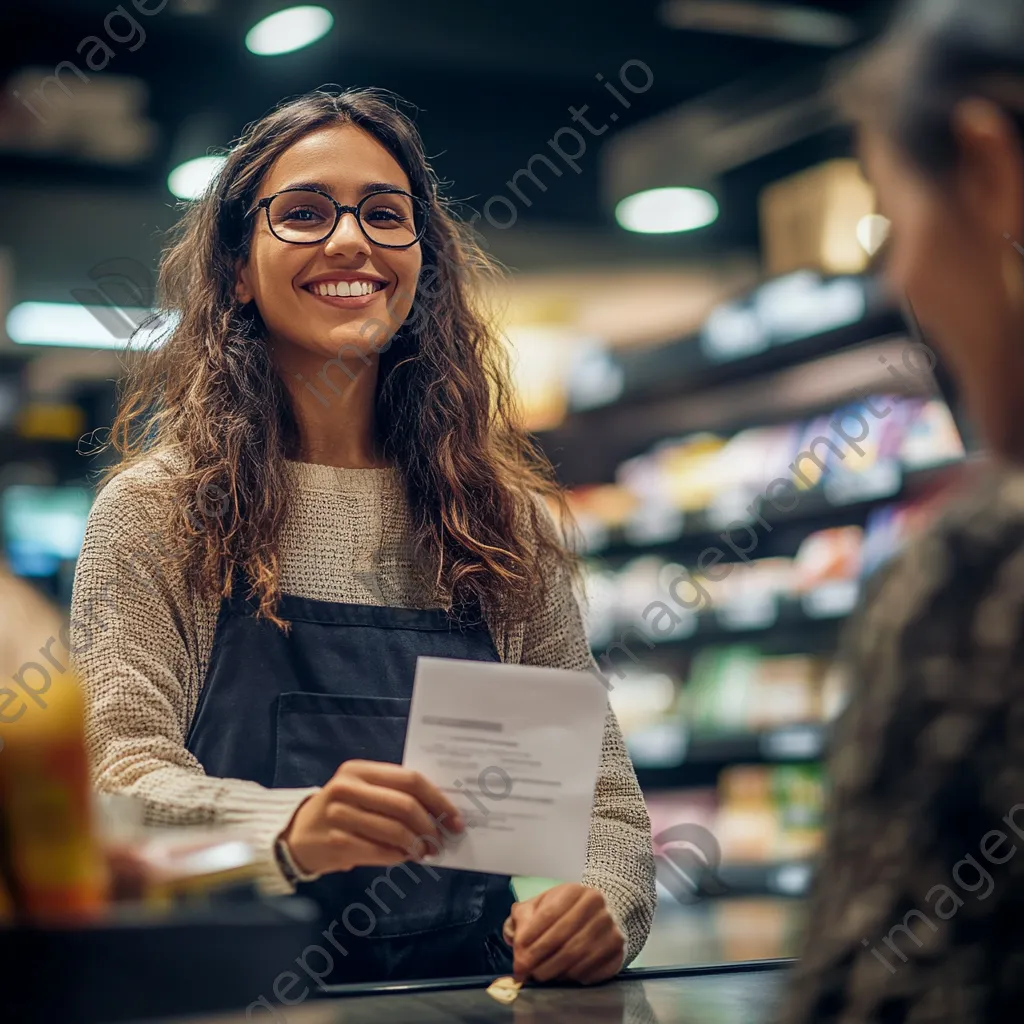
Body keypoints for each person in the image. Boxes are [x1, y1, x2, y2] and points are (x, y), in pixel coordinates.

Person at [69, 86, 655, 986]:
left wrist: (601, 906)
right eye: (304, 213)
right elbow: (117, 784)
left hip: (465, 995)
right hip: (223, 996)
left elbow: (602, 805)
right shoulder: (157, 512)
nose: (351, 241)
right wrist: (292, 831)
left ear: (422, 259)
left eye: (386, 215)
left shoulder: (503, 524)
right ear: (236, 267)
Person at [781, 1, 1024, 1020]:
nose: (901, 276)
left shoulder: (980, 568)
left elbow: (877, 986)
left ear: (987, 170)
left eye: (892, 217)